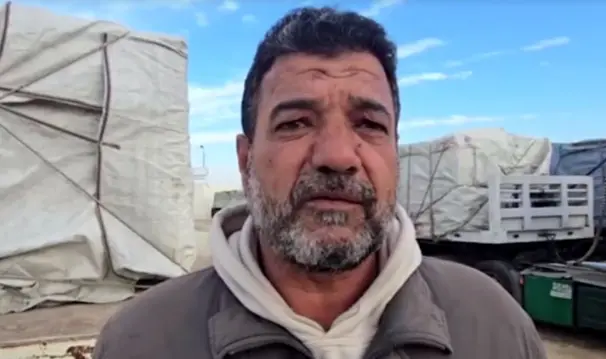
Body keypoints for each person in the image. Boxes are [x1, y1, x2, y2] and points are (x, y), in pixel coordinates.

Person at [94, 6, 547, 359]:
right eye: (295, 123)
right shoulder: (141, 340)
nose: (336, 156)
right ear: (246, 158)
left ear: (395, 151)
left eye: (369, 124)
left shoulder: (495, 325)